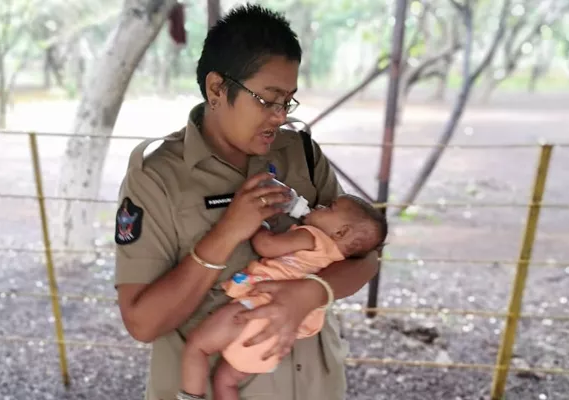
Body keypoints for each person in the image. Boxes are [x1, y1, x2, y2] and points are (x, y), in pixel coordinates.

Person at [114, 4, 381, 400]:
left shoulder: (301, 154)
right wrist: (227, 233)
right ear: (217, 88)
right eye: (268, 100)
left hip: (312, 387)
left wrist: (309, 294)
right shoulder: (157, 176)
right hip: (211, 387)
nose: (278, 117)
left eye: (287, 101)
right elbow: (142, 323)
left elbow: (365, 256)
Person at [178, 194, 388, 400]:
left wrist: (259, 225)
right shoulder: (337, 259)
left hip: (256, 309)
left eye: (329, 207)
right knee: (226, 381)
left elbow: (267, 246)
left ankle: (191, 397)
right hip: (278, 335)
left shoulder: (312, 236)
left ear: (341, 232)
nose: (320, 206)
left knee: (198, 347)